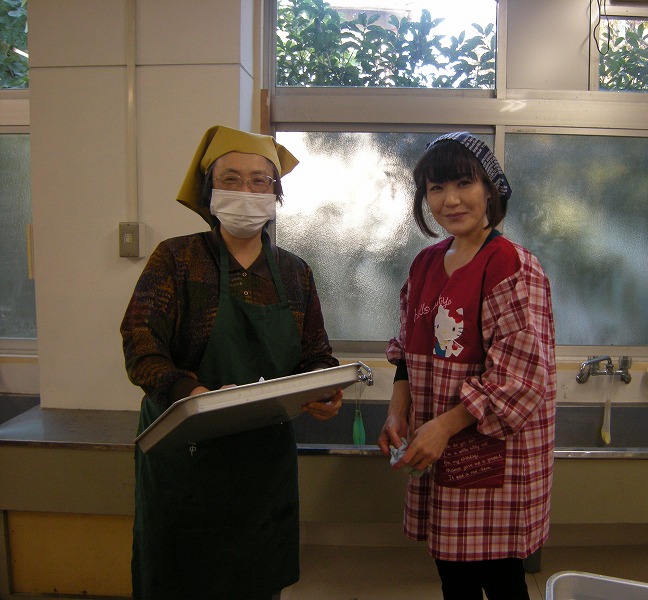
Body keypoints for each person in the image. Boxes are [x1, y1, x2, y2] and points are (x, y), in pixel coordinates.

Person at [120, 125, 342, 600]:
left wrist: (322, 388)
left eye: (260, 180)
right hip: (185, 458)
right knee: (181, 581)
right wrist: (194, 398)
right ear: (210, 191)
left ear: (276, 193)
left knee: (255, 581)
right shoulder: (176, 260)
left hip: (262, 463)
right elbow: (141, 344)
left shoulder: (294, 272)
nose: (246, 190)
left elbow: (316, 355)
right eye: (231, 179)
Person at [378, 132, 557, 600]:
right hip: (439, 445)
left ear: (490, 190)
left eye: (463, 183)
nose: (450, 200)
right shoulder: (424, 264)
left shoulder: (511, 266)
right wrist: (397, 411)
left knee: (500, 579)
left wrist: (443, 426)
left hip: (492, 454)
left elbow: (520, 379)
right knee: (452, 574)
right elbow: (407, 349)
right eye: (436, 188)